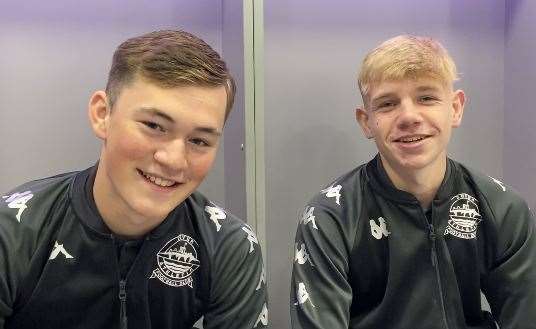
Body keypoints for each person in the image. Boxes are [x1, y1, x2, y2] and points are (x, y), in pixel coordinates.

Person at [0, 30, 268, 329]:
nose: (174, 160)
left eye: (199, 141)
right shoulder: (13, 233)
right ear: (103, 114)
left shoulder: (227, 245)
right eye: (154, 125)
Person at [290, 35, 536, 329]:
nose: (409, 116)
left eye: (426, 98)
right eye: (387, 103)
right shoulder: (330, 217)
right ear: (366, 121)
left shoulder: (502, 208)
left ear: (455, 108)